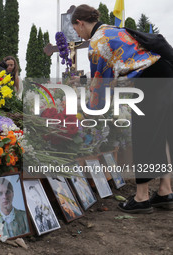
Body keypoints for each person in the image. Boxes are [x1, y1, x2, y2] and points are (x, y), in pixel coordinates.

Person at [70, 4, 173, 213]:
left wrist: (87, 110)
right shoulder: (112, 30)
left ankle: (142, 197)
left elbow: (99, 87)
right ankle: (165, 190)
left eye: (76, 30)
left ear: (80, 23)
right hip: (166, 72)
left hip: (152, 79)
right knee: (160, 133)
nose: (78, 35)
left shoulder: (97, 43)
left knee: (144, 133)